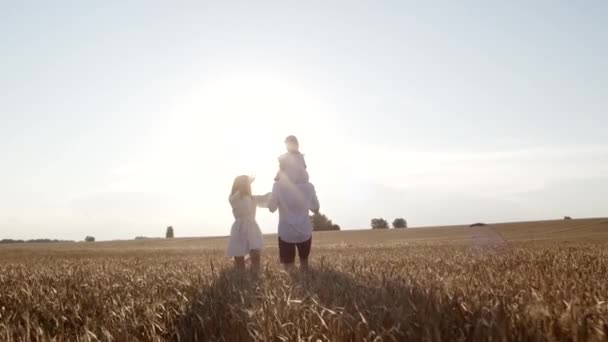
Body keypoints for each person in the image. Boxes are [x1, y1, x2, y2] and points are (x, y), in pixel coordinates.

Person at [268, 179, 320, 270]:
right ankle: (305, 283)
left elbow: (272, 208)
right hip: (304, 232)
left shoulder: (278, 186)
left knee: (289, 268)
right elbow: (315, 208)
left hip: (286, 232)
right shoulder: (309, 186)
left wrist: (273, 195)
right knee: (304, 264)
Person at [226, 175, 270, 270]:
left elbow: (266, 198)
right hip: (239, 227)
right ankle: (240, 274)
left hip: (251, 227)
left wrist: (278, 192)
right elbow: (237, 195)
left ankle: (255, 272)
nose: (245, 185)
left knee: (255, 251)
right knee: (238, 253)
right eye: (242, 182)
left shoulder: (252, 198)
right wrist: (246, 182)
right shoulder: (233, 198)